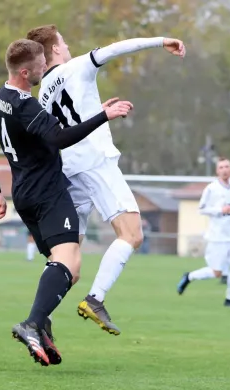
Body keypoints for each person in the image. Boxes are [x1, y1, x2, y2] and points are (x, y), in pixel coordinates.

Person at [0, 39, 132, 366]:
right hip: (48, 193)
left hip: (23, 194)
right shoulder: (24, 106)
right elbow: (60, 139)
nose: (46, 67)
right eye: (42, 64)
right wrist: (103, 115)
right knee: (71, 261)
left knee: (63, 269)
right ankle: (32, 323)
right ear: (24, 71)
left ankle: (42, 326)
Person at [26, 25, 186, 335]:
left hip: (68, 171)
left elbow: (61, 128)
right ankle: (95, 299)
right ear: (55, 51)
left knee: (68, 262)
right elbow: (116, 48)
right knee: (132, 234)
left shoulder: (43, 92)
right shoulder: (77, 67)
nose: (68, 45)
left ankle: (38, 319)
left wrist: (95, 112)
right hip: (95, 162)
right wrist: (161, 41)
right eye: (64, 41)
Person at [176, 157, 230, 307]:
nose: (224, 170)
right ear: (217, 171)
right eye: (221, 167)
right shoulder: (211, 188)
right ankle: (189, 277)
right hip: (217, 237)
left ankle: (229, 299)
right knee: (216, 272)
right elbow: (201, 209)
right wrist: (219, 210)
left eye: (227, 167)